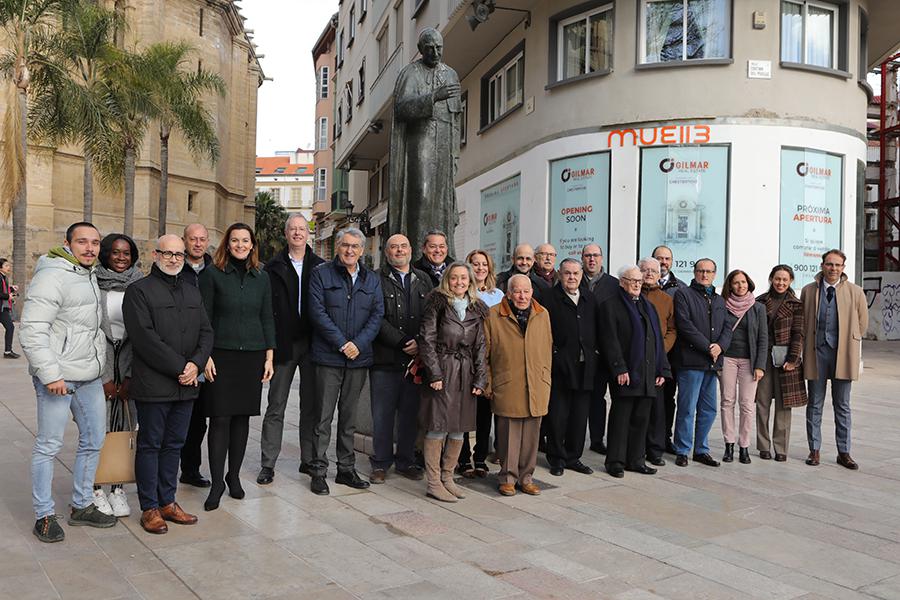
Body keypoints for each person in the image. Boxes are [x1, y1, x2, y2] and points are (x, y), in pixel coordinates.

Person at [20, 222, 117, 543]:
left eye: (95, 243)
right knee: (49, 445)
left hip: (88, 376)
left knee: (94, 439)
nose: (90, 248)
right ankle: (44, 515)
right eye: (82, 242)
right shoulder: (52, 275)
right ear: (67, 243)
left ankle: (81, 504)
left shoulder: (88, 273)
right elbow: (32, 329)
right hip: (58, 377)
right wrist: (50, 374)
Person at [123, 234, 214, 534]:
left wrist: (196, 364)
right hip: (154, 385)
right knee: (151, 445)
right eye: (168, 253)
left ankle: (167, 502)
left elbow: (206, 332)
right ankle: (149, 508)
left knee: (174, 444)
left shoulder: (191, 290)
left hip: (186, 384)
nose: (174, 259)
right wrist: (181, 367)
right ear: (155, 255)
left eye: (178, 254)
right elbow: (144, 338)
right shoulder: (138, 291)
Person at [199, 223, 275, 510]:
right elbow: (204, 318)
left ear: (252, 245)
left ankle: (234, 477)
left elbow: (267, 317)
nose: (240, 245)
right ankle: (216, 482)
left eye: (245, 240)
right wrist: (205, 356)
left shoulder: (262, 277)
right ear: (227, 244)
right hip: (220, 355)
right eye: (235, 240)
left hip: (252, 355)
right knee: (220, 419)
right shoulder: (212, 274)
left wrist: (269, 356)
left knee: (242, 418)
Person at [308, 227, 384, 495]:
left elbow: (377, 315)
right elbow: (317, 313)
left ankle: (346, 469)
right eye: (345, 245)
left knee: (349, 417)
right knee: (323, 417)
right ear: (337, 247)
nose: (350, 250)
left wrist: (358, 345)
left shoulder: (371, 279)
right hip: (328, 356)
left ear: (362, 250)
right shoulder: (321, 274)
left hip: (358, 359)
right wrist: (342, 343)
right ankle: (318, 471)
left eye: (355, 246)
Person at [257, 214, 324, 485]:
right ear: (286, 234)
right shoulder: (272, 267)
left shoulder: (320, 267)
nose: (297, 233)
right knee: (276, 405)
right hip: (283, 343)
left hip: (313, 344)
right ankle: (268, 464)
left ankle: (308, 460)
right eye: (292, 229)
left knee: (311, 406)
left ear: (308, 233)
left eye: (301, 229)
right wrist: (268, 346)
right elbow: (265, 309)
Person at [388, 28, 461, 257]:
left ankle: (444, 258)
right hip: (420, 140)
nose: (435, 53)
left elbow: (456, 119)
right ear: (420, 49)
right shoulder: (410, 73)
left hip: (445, 143)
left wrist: (455, 153)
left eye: (439, 48)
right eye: (430, 48)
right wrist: (433, 97)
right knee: (421, 196)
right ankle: (418, 258)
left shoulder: (451, 74)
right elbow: (401, 108)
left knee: (443, 203)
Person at [418, 263, 487, 501]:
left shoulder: (476, 308)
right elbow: (427, 339)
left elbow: (480, 346)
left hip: (466, 373)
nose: (459, 282)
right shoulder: (437, 304)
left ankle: (448, 477)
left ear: (470, 281)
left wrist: (480, 378)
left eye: (464, 278)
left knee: (459, 427)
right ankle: (433, 481)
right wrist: (434, 374)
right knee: (437, 426)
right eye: (454, 278)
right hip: (443, 368)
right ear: (447, 279)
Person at [369, 234, 433, 484]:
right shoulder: (375, 278)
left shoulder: (424, 279)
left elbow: (430, 315)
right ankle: (381, 463)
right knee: (382, 416)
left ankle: (405, 461)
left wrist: (419, 341)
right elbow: (375, 316)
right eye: (394, 247)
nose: (399, 251)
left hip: (415, 362)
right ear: (386, 253)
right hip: (385, 360)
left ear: (411, 250)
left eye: (403, 246)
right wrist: (402, 341)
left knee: (409, 415)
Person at [484, 274, 552, 496]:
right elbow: (485, 354)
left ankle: (527, 477)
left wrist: (546, 378)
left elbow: (547, 348)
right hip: (507, 382)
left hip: (536, 382)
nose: (522, 296)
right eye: (517, 291)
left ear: (532, 292)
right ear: (509, 293)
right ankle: (507, 478)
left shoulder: (542, 314)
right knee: (508, 436)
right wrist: (488, 383)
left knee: (532, 436)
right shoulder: (494, 314)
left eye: (526, 291)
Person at [801, 249, 868, 470]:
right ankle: (814, 450)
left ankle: (844, 452)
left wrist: (850, 343)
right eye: (830, 264)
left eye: (838, 265)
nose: (833, 268)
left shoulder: (855, 292)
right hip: (817, 352)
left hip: (843, 354)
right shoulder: (809, 290)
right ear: (822, 266)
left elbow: (862, 323)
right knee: (815, 404)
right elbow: (803, 322)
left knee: (843, 405)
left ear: (843, 267)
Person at [600, 266, 669, 478]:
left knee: (641, 418)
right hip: (626, 373)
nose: (637, 284)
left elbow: (657, 340)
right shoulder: (611, 305)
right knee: (621, 419)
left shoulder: (648, 306)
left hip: (648, 373)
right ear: (622, 282)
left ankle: (636, 460)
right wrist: (619, 368)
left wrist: (662, 369)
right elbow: (609, 340)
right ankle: (615, 462)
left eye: (639, 281)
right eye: (632, 280)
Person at [92, 233, 143, 518]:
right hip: (100, 366)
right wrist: (104, 379)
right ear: (106, 254)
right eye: (115, 252)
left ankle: (118, 487)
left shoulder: (140, 285)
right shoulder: (93, 283)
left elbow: (144, 333)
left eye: (126, 253)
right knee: (96, 428)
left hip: (130, 368)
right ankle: (95, 487)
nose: (121, 258)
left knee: (126, 427)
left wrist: (130, 377)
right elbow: (90, 332)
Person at [671, 259, 734, 468]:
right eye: (701, 271)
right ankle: (682, 450)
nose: (704, 275)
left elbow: (727, 327)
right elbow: (685, 325)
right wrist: (708, 347)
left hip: (712, 364)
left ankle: (701, 450)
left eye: (708, 271)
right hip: (691, 362)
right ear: (694, 272)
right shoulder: (683, 294)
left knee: (709, 409)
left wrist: (720, 347)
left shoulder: (719, 299)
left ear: (715, 274)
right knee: (687, 408)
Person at [543, 258, 597, 476]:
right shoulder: (548, 299)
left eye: (575, 273)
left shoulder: (589, 298)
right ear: (560, 274)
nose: (572, 277)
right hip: (560, 368)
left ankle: (573, 457)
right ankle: (557, 458)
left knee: (579, 416)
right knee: (558, 416)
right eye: (567, 273)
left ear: (581, 275)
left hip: (585, 367)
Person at [457, 249, 503, 476]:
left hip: (488, 359)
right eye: (475, 264)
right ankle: (463, 459)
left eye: (484, 264)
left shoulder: (498, 294)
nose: (480, 268)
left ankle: (481, 458)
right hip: (466, 358)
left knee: (485, 413)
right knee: (465, 412)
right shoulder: (461, 293)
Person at [756, 265, 807, 462]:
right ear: (771, 279)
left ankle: (781, 448)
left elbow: (798, 333)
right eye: (777, 279)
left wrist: (793, 359)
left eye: (785, 280)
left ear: (791, 281)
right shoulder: (760, 301)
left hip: (786, 360)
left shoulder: (796, 304)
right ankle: (763, 446)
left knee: (784, 406)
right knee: (762, 403)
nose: (781, 283)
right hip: (764, 359)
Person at [719, 270, 767, 465]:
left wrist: (760, 366)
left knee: (747, 404)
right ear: (730, 286)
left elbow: (763, 338)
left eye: (743, 282)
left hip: (750, 361)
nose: (740, 286)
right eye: (736, 283)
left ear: (749, 283)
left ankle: (744, 446)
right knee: (727, 401)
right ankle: (729, 444)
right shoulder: (722, 305)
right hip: (727, 359)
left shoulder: (758, 307)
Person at [179, 223, 214, 488]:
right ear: (185, 241)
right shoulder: (176, 270)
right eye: (193, 239)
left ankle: (191, 470)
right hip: (182, 353)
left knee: (200, 419)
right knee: (181, 418)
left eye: (202, 239)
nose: (198, 243)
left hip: (209, 354)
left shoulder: (216, 270)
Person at [580, 243, 618, 455]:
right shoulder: (574, 279)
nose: (592, 259)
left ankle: (596, 439)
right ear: (582, 258)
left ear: (602, 258)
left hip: (604, 353)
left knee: (598, 398)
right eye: (588, 256)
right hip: (580, 351)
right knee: (578, 397)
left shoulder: (613, 284)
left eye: (595, 255)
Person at [639, 257, 676, 467]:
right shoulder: (631, 295)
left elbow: (672, 329)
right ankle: (636, 448)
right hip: (636, 359)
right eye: (645, 270)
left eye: (653, 271)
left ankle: (655, 450)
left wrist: (661, 350)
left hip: (658, 359)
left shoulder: (666, 299)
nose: (649, 274)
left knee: (657, 407)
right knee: (637, 406)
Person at [652, 245, 686, 453]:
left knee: (667, 398)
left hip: (670, 354)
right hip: (645, 354)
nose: (663, 262)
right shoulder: (642, 283)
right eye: (659, 258)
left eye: (667, 259)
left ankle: (664, 437)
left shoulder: (680, 288)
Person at [1, 257, 20, 358]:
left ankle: (8, 351)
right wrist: (8, 296)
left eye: (9, 265)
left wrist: (11, 288)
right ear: (0, 267)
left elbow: (3, 290)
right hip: (1, 309)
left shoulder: (3, 277)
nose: (9, 267)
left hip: (3, 308)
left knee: (10, 327)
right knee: (10, 327)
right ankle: (7, 352)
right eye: (6, 266)